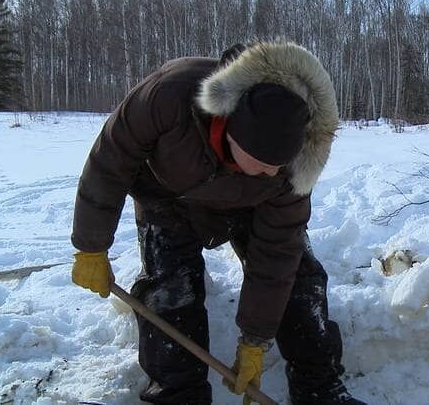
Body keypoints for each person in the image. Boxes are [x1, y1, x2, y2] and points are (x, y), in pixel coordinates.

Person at [69, 40, 366, 405]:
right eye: (260, 162)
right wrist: (91, 246)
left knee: (298, 278)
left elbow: (277, 257)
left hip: (250, 209)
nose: (271, 172)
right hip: (167, 198)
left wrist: (254, 341)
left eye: (277, 166)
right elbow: (110, 161)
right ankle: (179, 395)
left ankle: (320, 386)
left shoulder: (291, 171)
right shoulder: (169, 95)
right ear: (230, 126)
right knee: (171, 289)